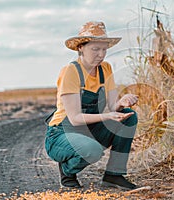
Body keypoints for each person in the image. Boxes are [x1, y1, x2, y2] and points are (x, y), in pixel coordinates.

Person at [44, 21, 139, 190]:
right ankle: (67, 171)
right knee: (93, 150)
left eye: (104, 49)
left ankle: (114, 175)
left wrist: (121, 103)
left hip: (89, 128)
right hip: (61, 133)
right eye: (95, 49)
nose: (101, 54)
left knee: (129, 117)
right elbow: (74, 119)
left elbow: (112, 106)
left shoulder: (105, 69)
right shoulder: (71, 71)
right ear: (81, 47)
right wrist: (108, 115)